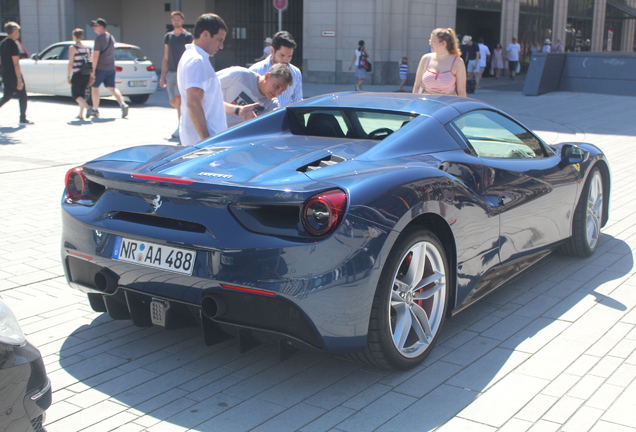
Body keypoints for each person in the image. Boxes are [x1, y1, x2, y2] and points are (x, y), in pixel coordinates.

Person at [178, 13, 253, 147]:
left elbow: (209, 101)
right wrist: (207, 142)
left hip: (203, 140)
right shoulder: (197, 60)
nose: (221, 45)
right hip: (202, 142)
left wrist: (238, 110)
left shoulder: (197, 58)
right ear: (205, 35)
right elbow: (193, 103)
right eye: (219, 39)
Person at [218, 63, 292, 127]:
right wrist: (238, 110)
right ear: (267, 76)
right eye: (276, 86)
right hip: (210, 126)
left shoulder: (271, 105)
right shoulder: (240, 75)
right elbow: (207, 90)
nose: (277, 93)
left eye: (282, 91)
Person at [160, 11, 193, 138]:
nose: (176, 21)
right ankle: (184, 120)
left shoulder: (187, 36)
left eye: (178, 19)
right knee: (173, 101)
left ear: (182, 20)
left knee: (179, 99)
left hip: (183, 72)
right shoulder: (168, 36)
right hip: (171, 72)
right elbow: (165, 56)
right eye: (174, 19)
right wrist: (162, 75)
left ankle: (180, 126)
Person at [89, 18, 128, 119]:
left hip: (100, 67)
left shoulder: (99, 39)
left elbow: (96, 55)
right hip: (111, 67)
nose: (94, 27)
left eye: (96, 25)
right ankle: (123, 104)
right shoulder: (111, 37)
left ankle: (95, 109)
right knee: (112, 88)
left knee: (94, 87)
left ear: (101, 26)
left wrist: (92, 70)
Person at [249, 31, 302, 106]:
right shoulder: (255, 70)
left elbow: (298, 101)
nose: (286, 60)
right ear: (272, 51)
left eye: (289, 56)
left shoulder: (295, 72)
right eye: (282, 55)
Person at [413, 27, 466, 97]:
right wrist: (414, 103)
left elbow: (461, 91)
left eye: (433, 41)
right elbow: (417, 86)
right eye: (430, 41)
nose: (430, 44)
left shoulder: (457, 62)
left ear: (443, 43)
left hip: (447, 104)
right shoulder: (425, 58)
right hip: (426, 103)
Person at [0, 22, 32, 125]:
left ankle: (23, 118)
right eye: (17, 31)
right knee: (22, 95)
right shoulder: (13, 44)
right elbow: (16, 63)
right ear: (14, 31)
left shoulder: (3, 43)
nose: (18, 33)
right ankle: (23, 118)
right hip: (14, 74)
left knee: (7, 96)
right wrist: (19, 79)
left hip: (5, 73)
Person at [66, 29, 92, 120]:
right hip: (86, 74)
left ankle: (89, 108)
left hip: (77, 74)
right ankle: (81, 114)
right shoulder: (86, 48)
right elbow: (89, 61)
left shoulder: (73, 48)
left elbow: (71, 63)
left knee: (76, 95)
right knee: (82, 94)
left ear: (74, 36)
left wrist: (68, 76)